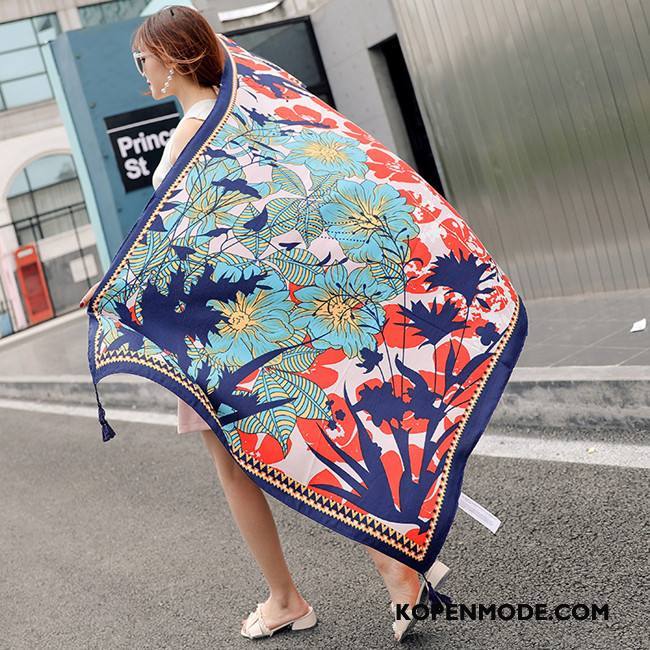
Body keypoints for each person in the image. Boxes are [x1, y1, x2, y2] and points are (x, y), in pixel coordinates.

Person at [79, 4, 428, 641]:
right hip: (263, 315)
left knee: (242, 461)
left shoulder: (191, 131)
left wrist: (111, 287)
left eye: (144, 60)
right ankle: (394, 565)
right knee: (313, 437)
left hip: (219, 332)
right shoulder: (242, 112)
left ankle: (287, 597)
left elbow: (177, 237)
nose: (141, 74)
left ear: (176, 56)